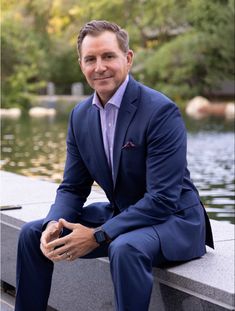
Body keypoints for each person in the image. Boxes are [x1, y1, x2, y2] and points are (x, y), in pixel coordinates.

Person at [15, 20, 214, 311]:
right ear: (81, 64)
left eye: (108, 56)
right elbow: (72, 187)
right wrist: (54, 224)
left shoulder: (160, 111)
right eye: (90, 59)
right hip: (123, 215)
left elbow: (162, 199)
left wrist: (98, 234)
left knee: (125, 248)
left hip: (175, 220)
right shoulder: (80, 116)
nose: (100, 67)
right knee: (33, 235)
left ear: (128, 58)